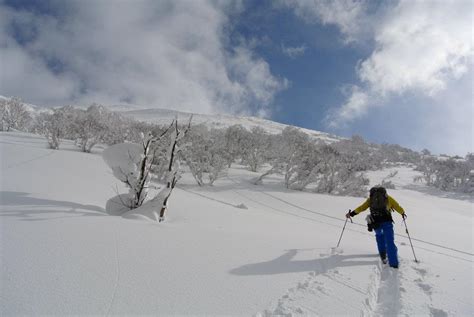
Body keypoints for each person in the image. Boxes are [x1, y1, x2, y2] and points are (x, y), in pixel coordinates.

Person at [346, 186, 406, 269]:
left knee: (379, 236)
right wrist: (402, 213)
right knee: (390, 241)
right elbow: (397, 206)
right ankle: (394, 263)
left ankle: (382, 253)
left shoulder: (370, 199)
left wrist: (352, 214)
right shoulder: (388, 198)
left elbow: (361, 208)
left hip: (375, 222)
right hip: (387, 222)